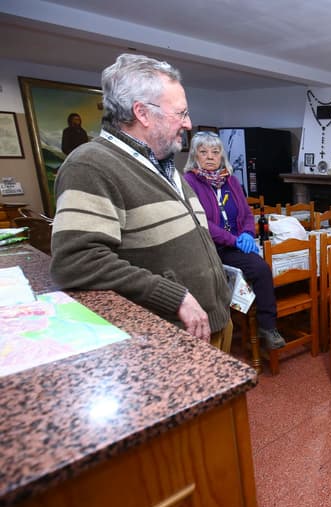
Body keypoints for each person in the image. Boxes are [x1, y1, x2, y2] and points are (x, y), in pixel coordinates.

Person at [50, 53, 233, 351]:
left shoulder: (163, 163)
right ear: (143, 113)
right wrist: (174, 296)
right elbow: (76, 262)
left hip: (209, 324)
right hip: (169, 339)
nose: (188, 124)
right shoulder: (89, 166)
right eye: (181, 113)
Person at [183, 131, 285, 349]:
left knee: (262, 268)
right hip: (209, 248)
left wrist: (247, 233)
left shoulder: (231, 180)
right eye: (203, 152)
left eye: (215, 151)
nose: (210, 156)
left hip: (235, 244)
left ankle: (267, 326)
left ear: (222, 155)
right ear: (195, 155)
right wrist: (233, 239)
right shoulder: (189, 182)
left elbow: (247, 213)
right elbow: (202, 221)